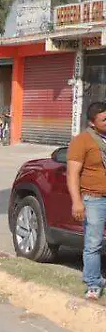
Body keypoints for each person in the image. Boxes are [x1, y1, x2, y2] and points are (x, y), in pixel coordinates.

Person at [67, 101, 106, 300]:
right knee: (93, 243)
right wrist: (77, 202)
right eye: (104, 119)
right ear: (92, 122)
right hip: (94, 198)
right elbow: (72, 174)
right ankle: (92, 283)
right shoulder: (81, 141)